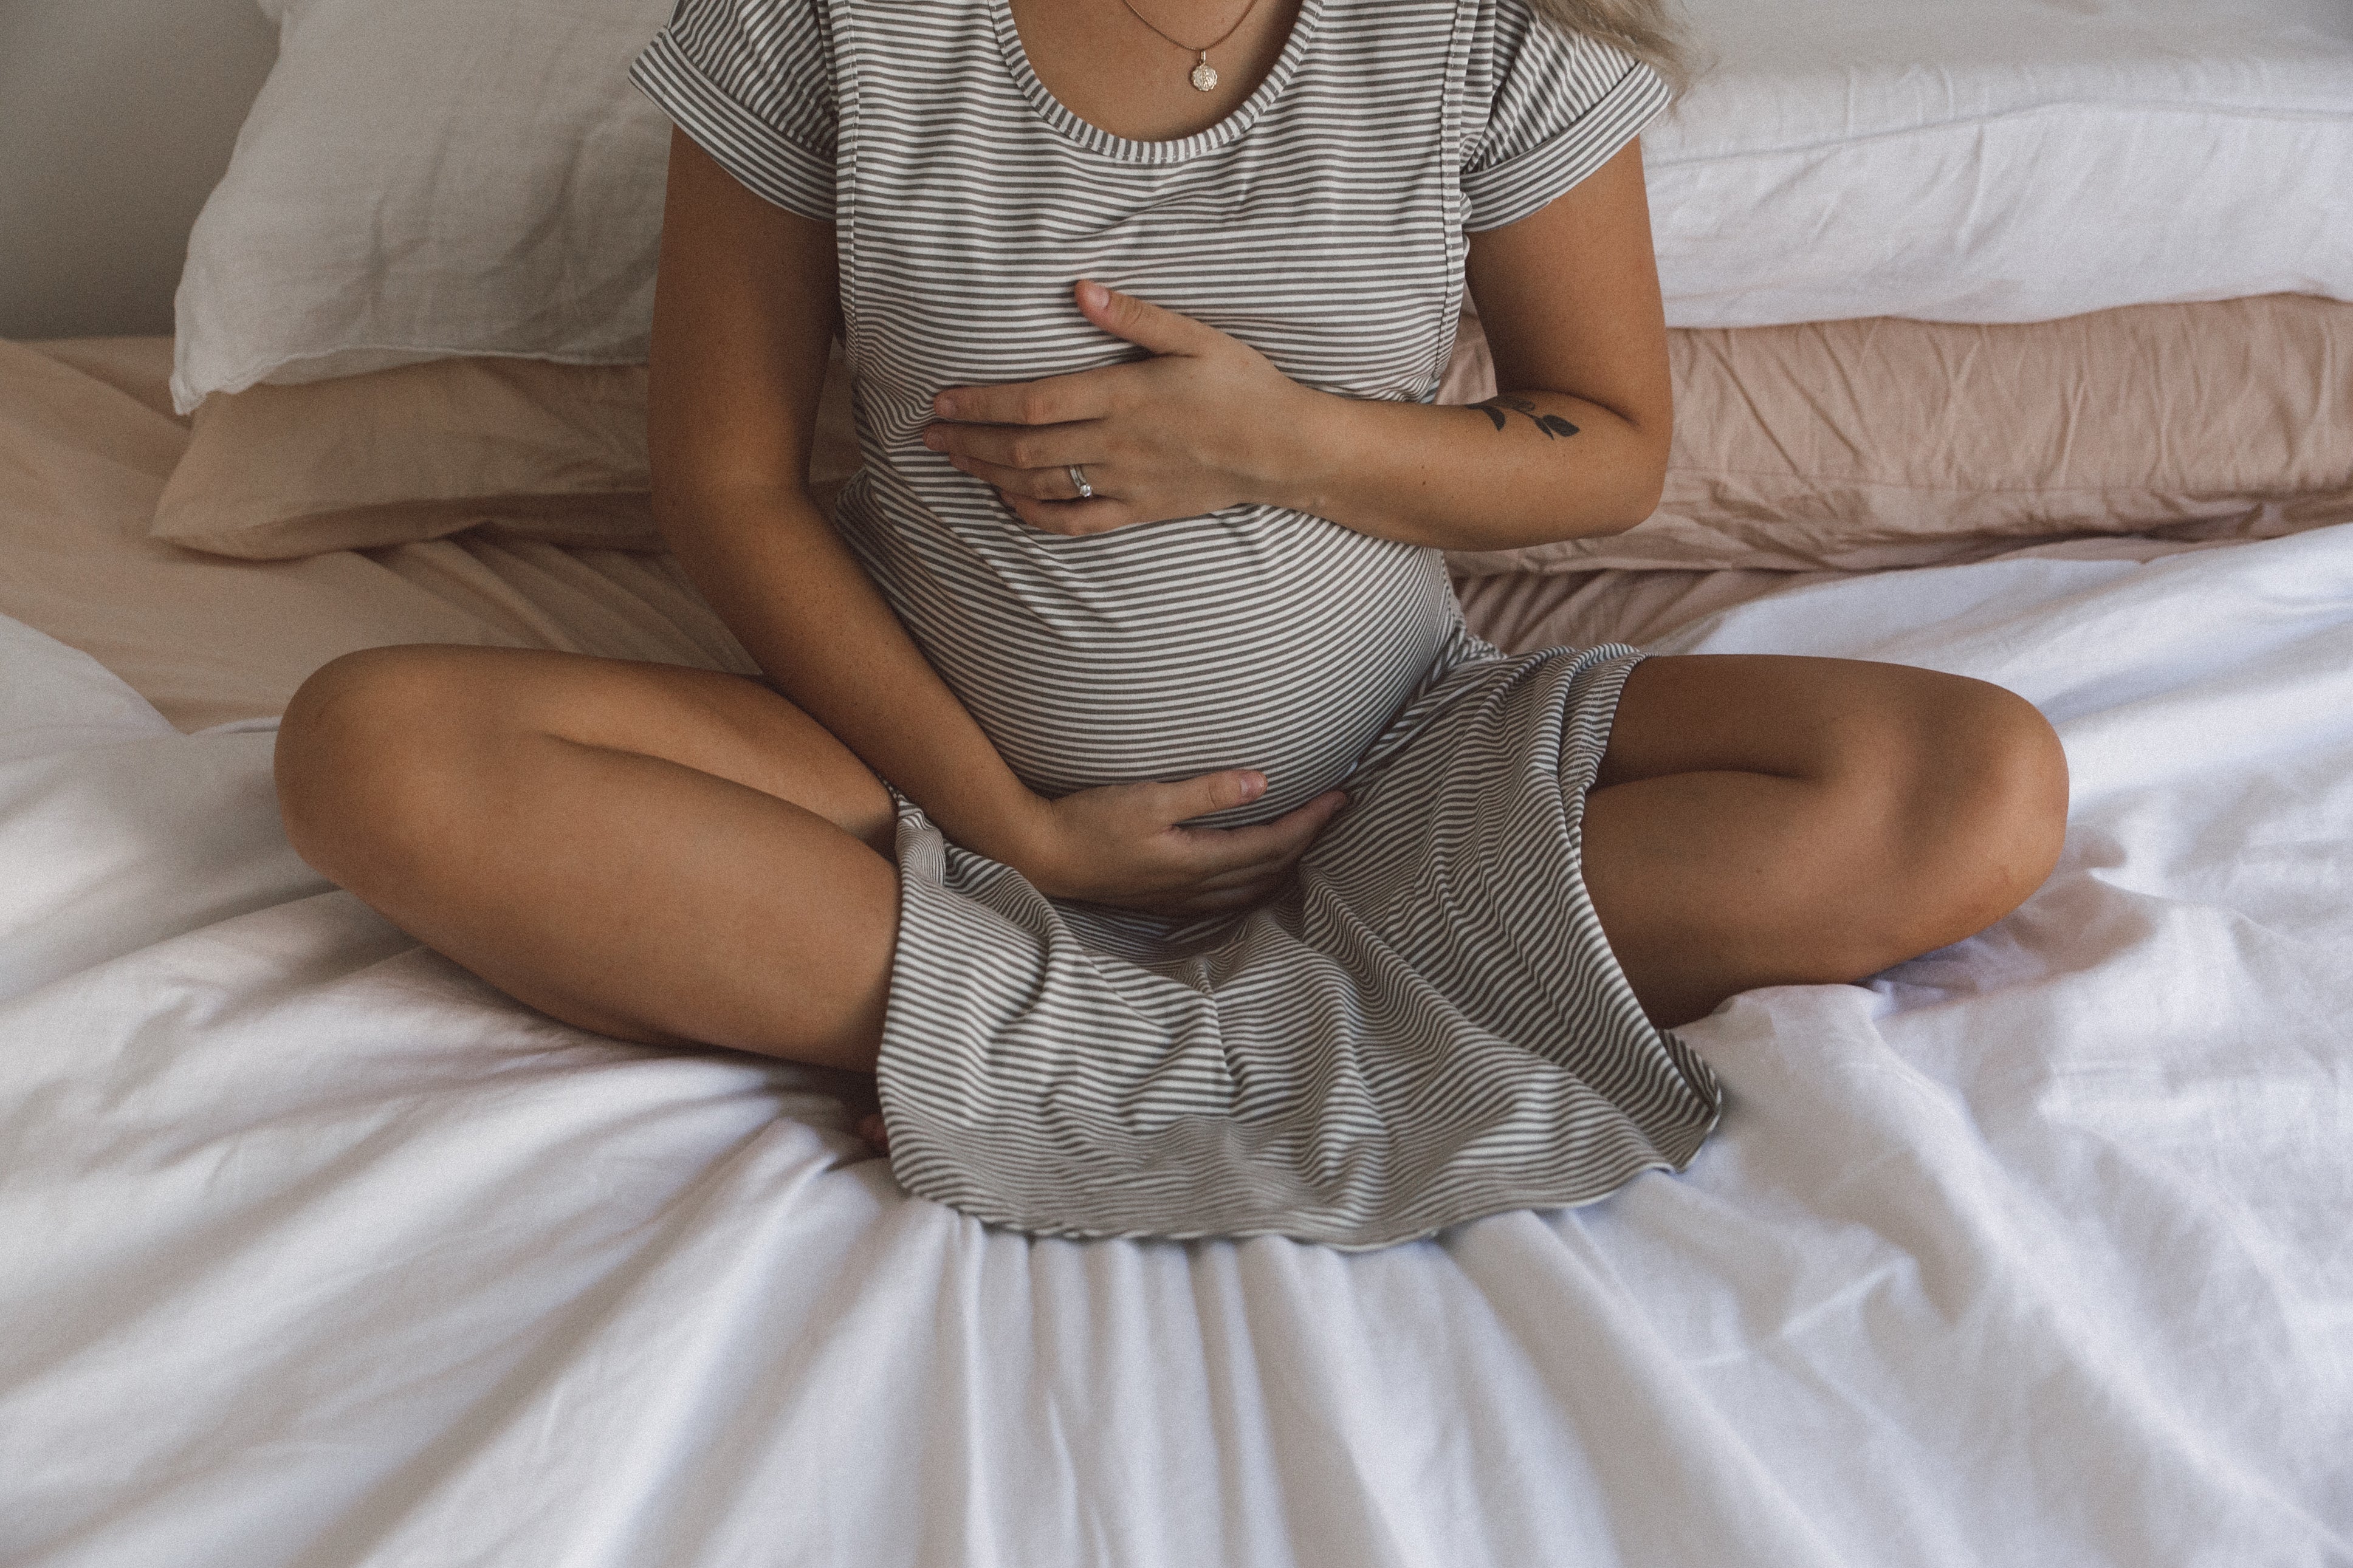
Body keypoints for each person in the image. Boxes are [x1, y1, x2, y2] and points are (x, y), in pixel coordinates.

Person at [272, 0, 2069, 1247]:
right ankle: (1111, 1040)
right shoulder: (824, 25)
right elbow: (727, 486)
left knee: (1971, 782)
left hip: (1401, 786)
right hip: (911, 806)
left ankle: (1155, 1025)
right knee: (372, 747)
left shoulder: (1493, 37)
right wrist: (1008, 822)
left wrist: (1271, 442)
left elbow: (1609, 449)